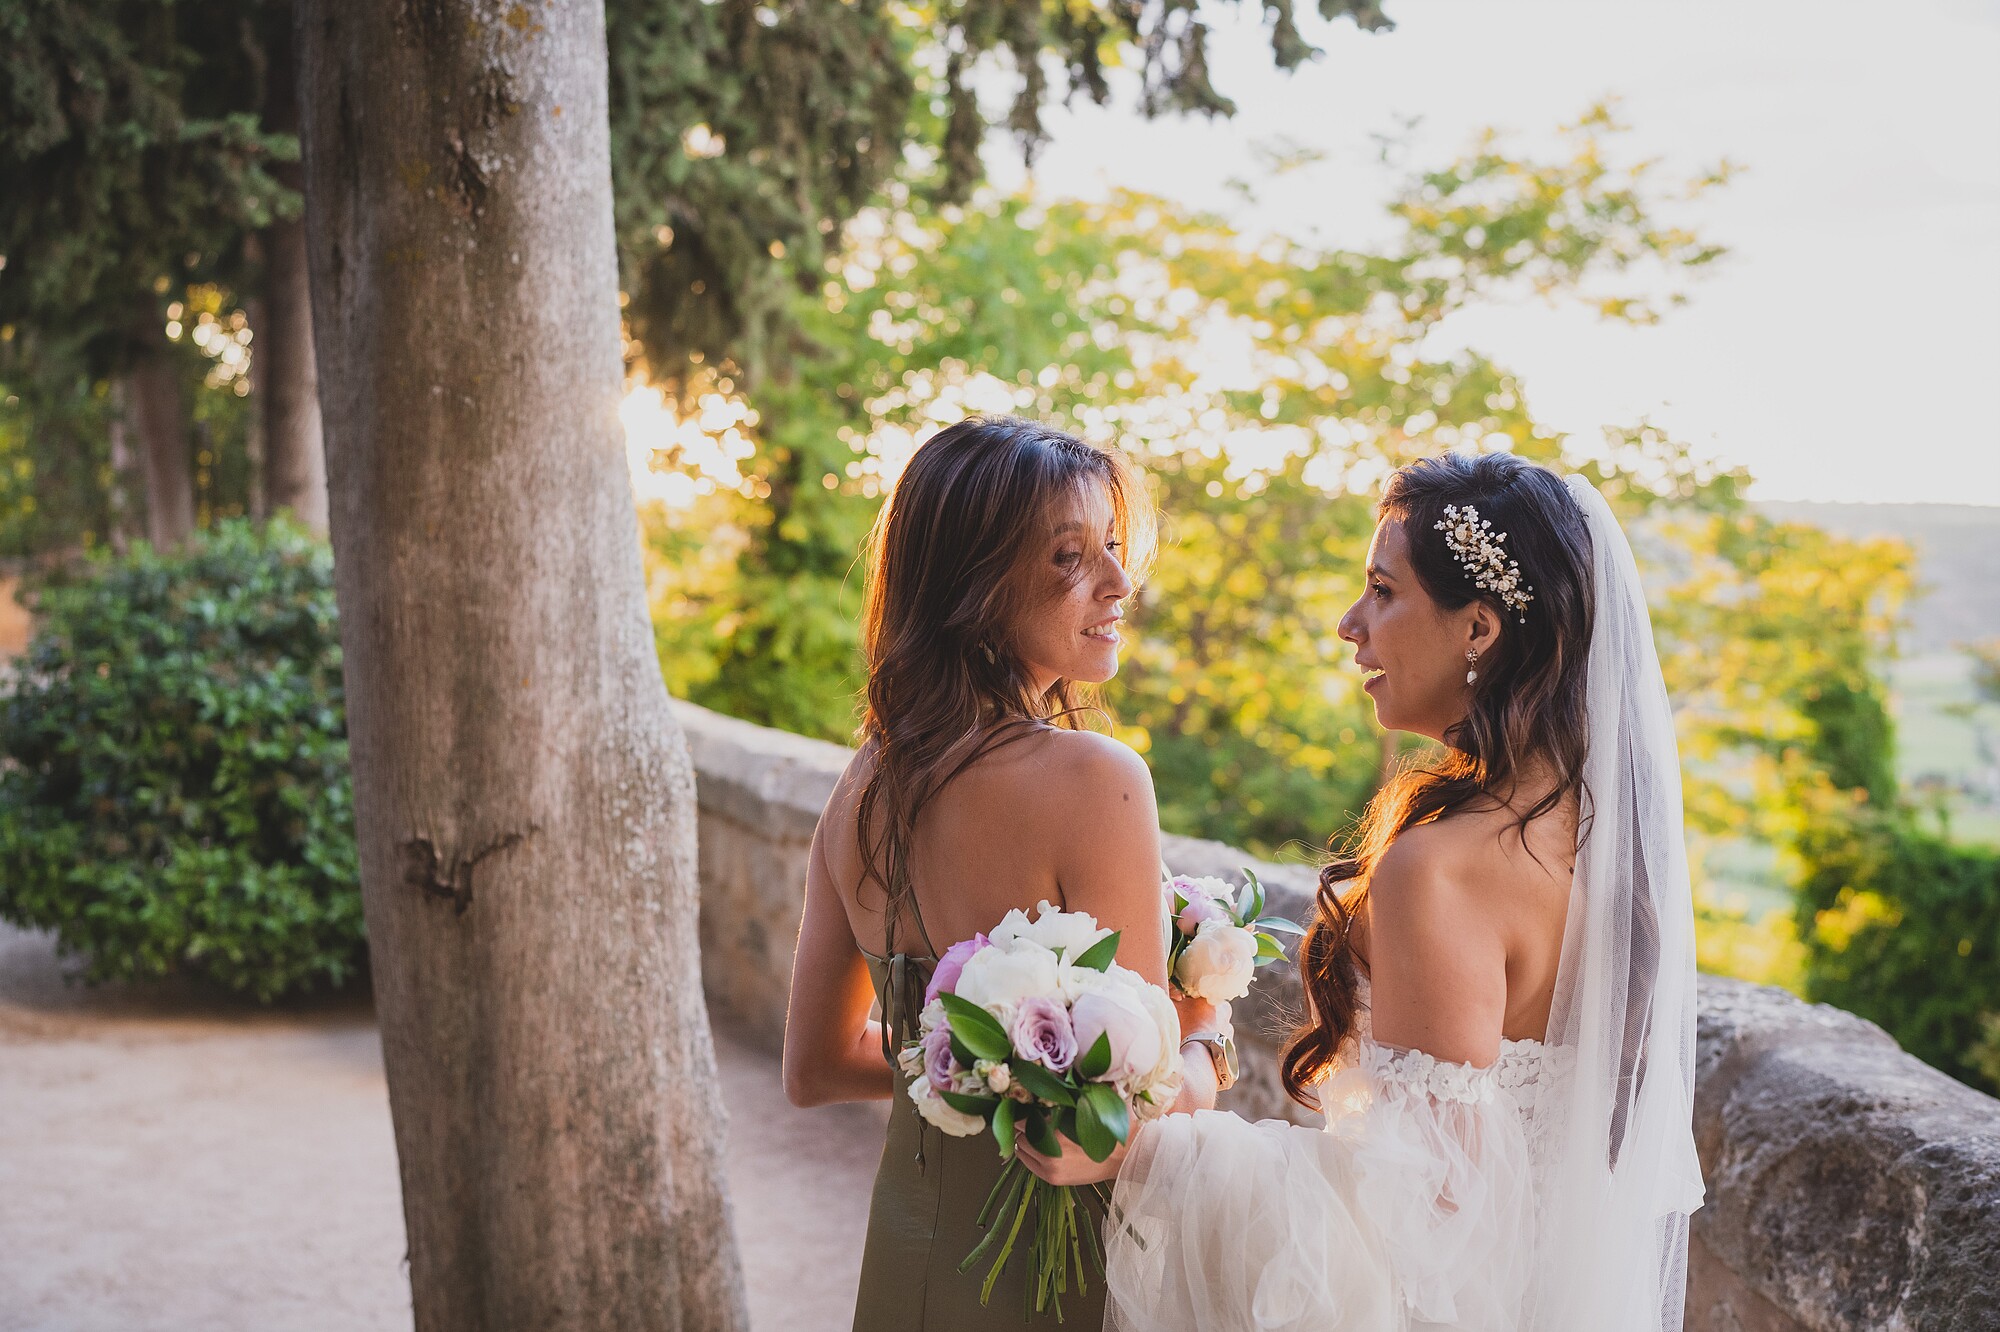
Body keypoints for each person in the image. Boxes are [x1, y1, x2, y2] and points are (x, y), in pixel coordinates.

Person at [1020, 451, 1706, 1332]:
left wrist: (1151, 1142)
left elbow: (1431, 1225)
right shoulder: (1594, 837)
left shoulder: (1440, 867)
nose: (1351, 625)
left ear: (1479, 628)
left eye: (1383, 591)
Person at [780, 415, 1224, 1331]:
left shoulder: (860, 789)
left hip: (906, 1256)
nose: (1118, 582)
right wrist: (1207, 1035)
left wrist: (976, 1067)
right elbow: (1145, 1113)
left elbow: (815, 1067)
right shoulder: (1097, 780)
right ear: (974, 586)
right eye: (1070, 557)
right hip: (1050, 1274)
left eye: (1113, 546)